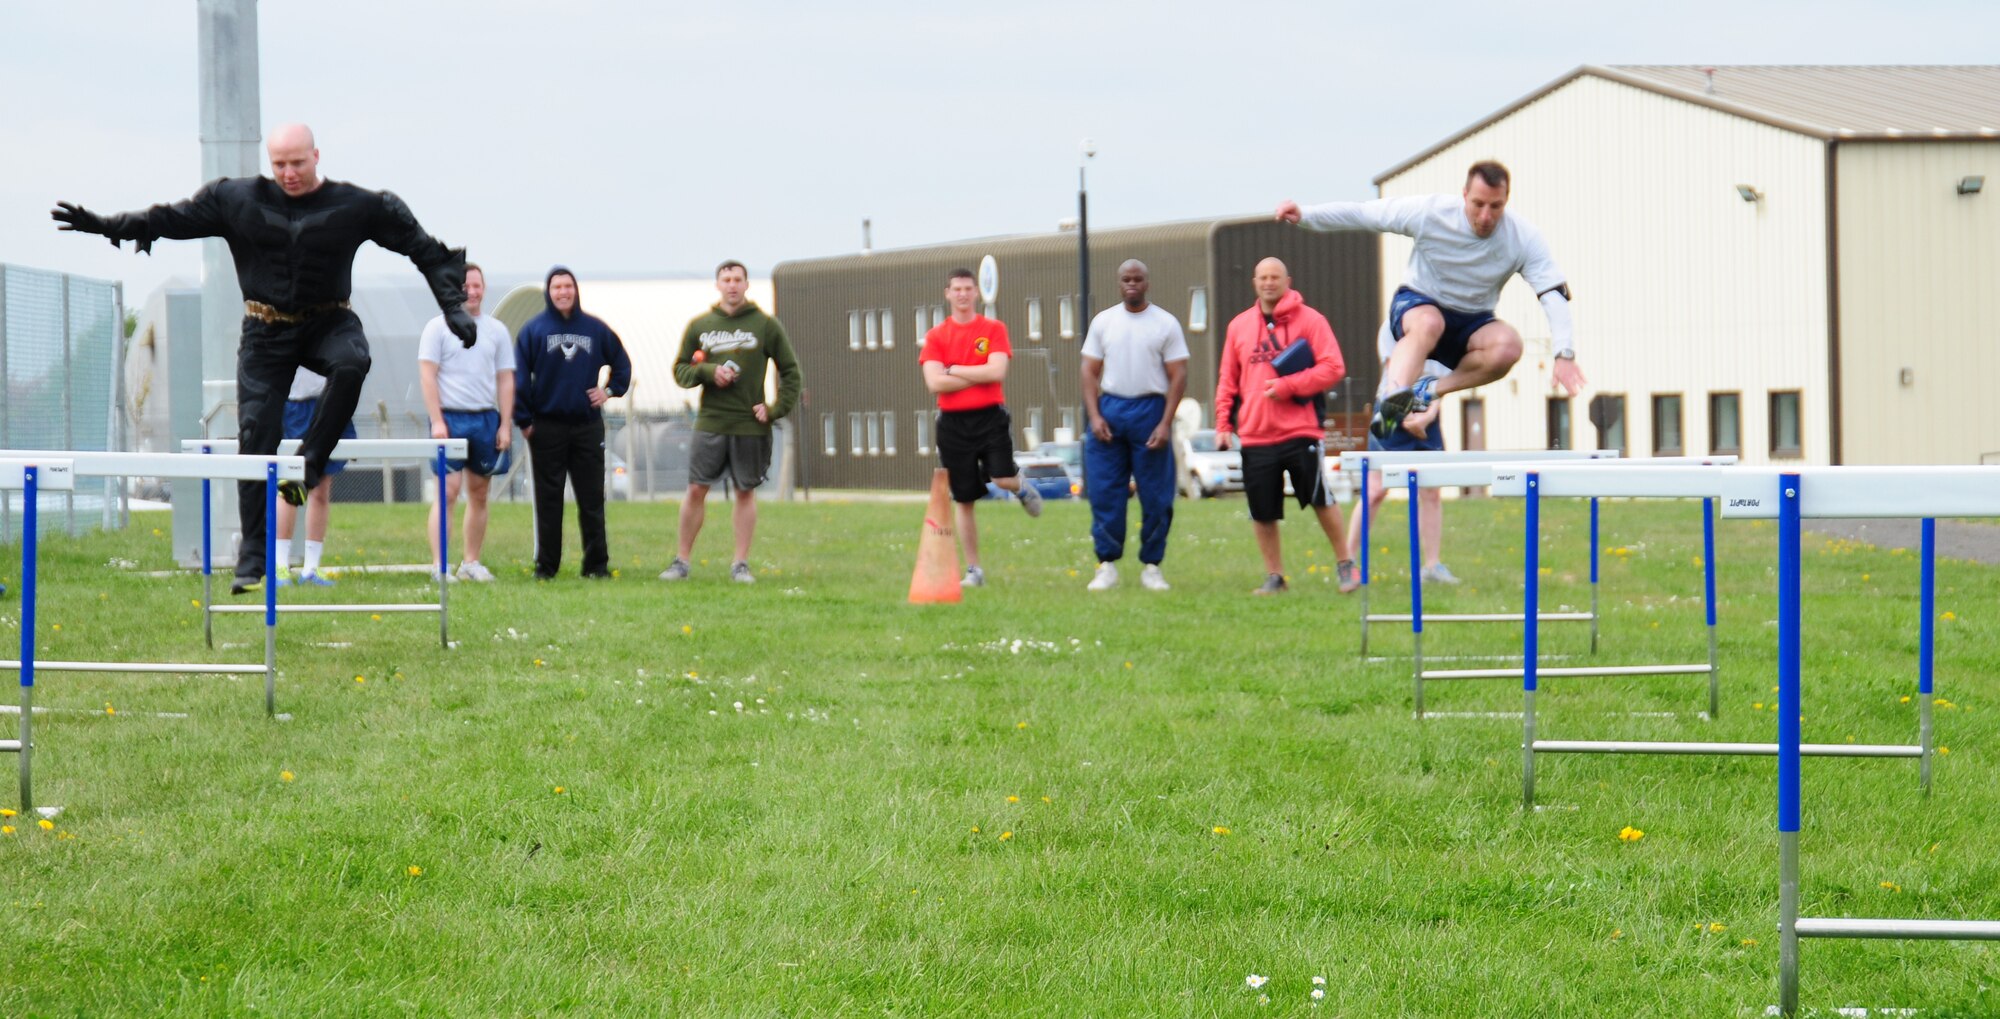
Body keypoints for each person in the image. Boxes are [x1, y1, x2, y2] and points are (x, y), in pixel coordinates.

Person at [51, 123, 474, 594]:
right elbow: (171, 218)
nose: (289, 173)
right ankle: (252, 556)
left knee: (354, 361)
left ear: (316, 156)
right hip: (265, 329)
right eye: (279, 165)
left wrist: (452, 304)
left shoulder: (356, 205)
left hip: (327, 321)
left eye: (297, 163)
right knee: (256, 433)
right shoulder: (238, 199)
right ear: (269, 164)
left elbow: (423, 248)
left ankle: (310, 464)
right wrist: (110, 225)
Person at [1276, 160, 1585, 438]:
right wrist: (1306, 215)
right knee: (1429, 322)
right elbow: (1364, 214)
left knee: (1509, 346)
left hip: (1471, 322)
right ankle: (1392, 398)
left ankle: (1428, 391)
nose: (1486, 216)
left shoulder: (1523, 236)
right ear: (1464, 194)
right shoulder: (1430, 212)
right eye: (1478, 204)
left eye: (1496, 206)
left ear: (1506, 201)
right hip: (1418, 304)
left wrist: (1564, 353)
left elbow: (1552, 292)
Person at [1214, 258, 1358, 596]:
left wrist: (1290, 386)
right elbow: (1227, 380)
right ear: (1254, 282)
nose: (1268, 283)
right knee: (1262, 510)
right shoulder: (1238, 326)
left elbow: (1333, 367)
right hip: (1254, 433)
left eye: (1275, 277)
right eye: (1263, 277)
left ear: (1287, 281)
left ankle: (1345, 565)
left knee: (1320, 496)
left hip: (1300, 430)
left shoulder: (1311, 320)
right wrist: (1223, 423)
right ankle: (1275, 576)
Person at [662, 261, 803, 584]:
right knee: (697, 488)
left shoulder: (765, 325)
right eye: (726, 280)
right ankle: (681, 561)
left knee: (744, 491)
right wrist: (709, 372)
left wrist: (776, 408)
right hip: (711, 421)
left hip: (749, 424)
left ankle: (740, 563)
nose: (732, 285)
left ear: (747, 285)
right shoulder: (701, 326)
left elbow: (791, 371)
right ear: (717, 285)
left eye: (738, 279)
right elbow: (681, 370)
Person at [919, 267, 1042, 588]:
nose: (962, 294)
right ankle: (974, 570)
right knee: (965, 498)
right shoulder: (936, 336)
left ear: (976, 292)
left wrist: (956, 369)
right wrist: (976, 372)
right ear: (947, 293)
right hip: (952, 424)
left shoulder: (993, 329)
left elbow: (997, 372)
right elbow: (934, 382)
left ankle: (1022, 487)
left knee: (1002, 477)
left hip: (990, 417)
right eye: (956, 289)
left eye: (967, 288)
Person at [513, 266, 631, 581]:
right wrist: (523, 419)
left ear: (575, 290)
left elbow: (622, 364)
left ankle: (596, 566)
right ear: (548, 292)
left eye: (568, 287)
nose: (563, 292)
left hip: (587, 426)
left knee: (591, 499)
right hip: (546, 426)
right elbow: (520, 378)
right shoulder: (534, 330)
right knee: (548, 501)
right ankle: (546, 567)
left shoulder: (594, 329)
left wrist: (608, 391)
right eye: (557, 287)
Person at [1079, 259, 1188, 592]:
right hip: (1110, 405)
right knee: (1104, 491)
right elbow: (1088, 371)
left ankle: (1152, 566)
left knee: (1156, 495)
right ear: (1119, 282)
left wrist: (1166, 422)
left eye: (1137, 279)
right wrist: (1095, 415)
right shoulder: (1104, 322)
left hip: (1150, 409)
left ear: (1147, 283)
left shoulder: (1165, 324)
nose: (1132, 284)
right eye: (1126, 279)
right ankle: (1106, 564)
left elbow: (1179, 374)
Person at [419, 262, 515, 582]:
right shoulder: (437, 327)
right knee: (447, 492)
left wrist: (504, 423)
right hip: (449, 417)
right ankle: (439, 565)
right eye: (465, 286)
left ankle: (471, 562)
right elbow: (428, 375)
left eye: (476, 285)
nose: (471, 292)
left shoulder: (496, 331)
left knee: (479, 492)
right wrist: (437, 420)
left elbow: (504, 379)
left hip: (484, 418)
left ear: (483, 288)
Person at [1346, 321, 1457, 585]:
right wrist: (1407, 420)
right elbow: (1395, 379)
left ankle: (1432, 566)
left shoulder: (1448, 330)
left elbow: (1443, 385)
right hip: (1390, 410)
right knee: (1375, 491)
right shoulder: (1393, 326)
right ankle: (1348, 561)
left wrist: (1426, 418)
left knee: (1431, 491)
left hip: (1427, 413)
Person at [271, 368, 354, 587]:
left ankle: (311, 568)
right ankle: (280, 566)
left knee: (321, 489)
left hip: (333, 402)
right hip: (298, 404)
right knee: (291, 485)